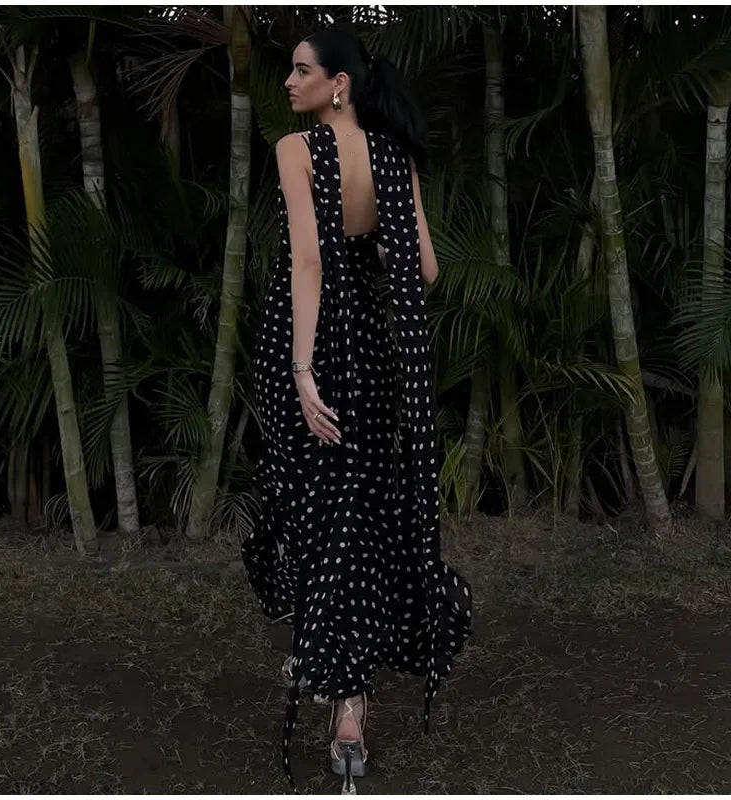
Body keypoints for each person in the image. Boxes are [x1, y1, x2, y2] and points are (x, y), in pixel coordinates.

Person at [241, 27, 473, 794]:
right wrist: (370, 248)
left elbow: (306, 259)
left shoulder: (297, 150)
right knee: (358, 508)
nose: (289, 82)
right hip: (374, 351)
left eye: (302, 71)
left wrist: (303, 369)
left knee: (319, 506)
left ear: (338, 83)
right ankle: (351, 699)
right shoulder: (392, 155)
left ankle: (338, 690)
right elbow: (427, 270)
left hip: (310, 342)